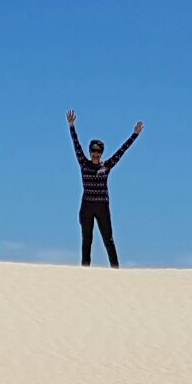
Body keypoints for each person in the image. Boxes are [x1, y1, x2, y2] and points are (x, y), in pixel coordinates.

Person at [69, 110, 143, 268]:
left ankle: (115, 269)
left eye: (98, 151)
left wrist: (134, 134)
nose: (96, 154)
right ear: (90, 152)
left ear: (102, 153)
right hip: (87, 206)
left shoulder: (107, 166)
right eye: (93, 151)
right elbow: (76, 145)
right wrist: (71, 126)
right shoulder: (83, 163)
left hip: (102, 207)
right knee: (86, 239)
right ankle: (85, 269)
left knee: (108, 239)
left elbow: (122, 151)